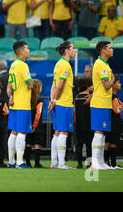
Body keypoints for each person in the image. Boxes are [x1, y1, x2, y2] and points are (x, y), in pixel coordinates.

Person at [48, 41, 77, 169]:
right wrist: (57, 99)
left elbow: (53, 84)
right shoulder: (65, 65)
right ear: (66, 50)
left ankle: (54, 162)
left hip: (58, 102)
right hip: (64, 102)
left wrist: (53, 100)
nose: (75, 50)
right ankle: (61, 163)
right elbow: (60, 85)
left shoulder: (58, 63)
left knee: (57, 132)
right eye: (73, 48)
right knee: (64, 132)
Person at [7, 41, 34, 169]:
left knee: (14, 132)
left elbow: (9, 87)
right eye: (27, 49)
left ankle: (11, 162)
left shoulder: (13, 65)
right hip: (23, 103)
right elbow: (30, 84)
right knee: (22, 132)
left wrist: (11, 96)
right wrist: (32, 82)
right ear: (22, 51)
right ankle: (19, 162)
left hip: (14, 103)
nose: (29, 51)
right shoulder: (23, 66)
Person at [90, 41, 115, 170]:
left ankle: (100, 162)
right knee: (99, 132)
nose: (112, 50)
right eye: (110, 48)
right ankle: (95, 163)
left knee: (102, 133)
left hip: (103, 103)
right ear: (103, 50)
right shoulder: (101, 65)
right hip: (100, 103)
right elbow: (106, 85)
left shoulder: (103, 64)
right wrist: (113, 80)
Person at [105, 76, 123, 169]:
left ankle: (106, 162)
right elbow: (117, 110)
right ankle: (113, 164)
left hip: (109, 121)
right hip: (114, 122)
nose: (120, 84)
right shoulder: (113, 96)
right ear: (113, 85)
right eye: (118, 83)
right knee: (113, 142)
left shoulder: (109, 96)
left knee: (108, 142)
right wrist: (121, 105)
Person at [24, 79, 44, 168]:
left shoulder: (28, 99)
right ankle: (37, 163)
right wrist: (35, 126)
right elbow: (38, 114)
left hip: (28, 123)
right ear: (37, 89)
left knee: (28, 143)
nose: (41, 89)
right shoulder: (39, 100)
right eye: (41, 87)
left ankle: (27, 163)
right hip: (36, 125)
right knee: (37, 143)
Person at [74, 76, 93, 169]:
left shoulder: (77, 98)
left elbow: (74, 111)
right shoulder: (90, 98)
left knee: (79, 145)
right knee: (89, 145)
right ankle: (89, 164)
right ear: (87, 86)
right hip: (88, 124)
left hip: (78, 125)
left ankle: (79, 163)